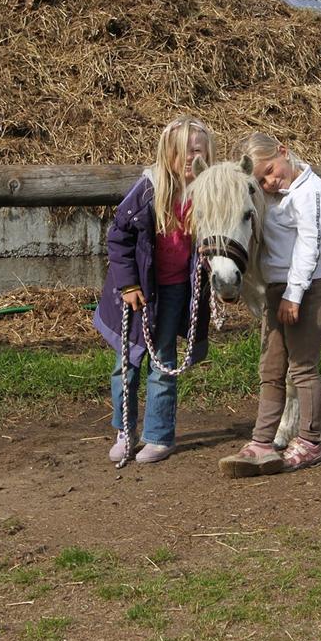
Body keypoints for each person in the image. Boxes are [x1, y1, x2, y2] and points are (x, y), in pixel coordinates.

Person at [93, 115, 216, 464]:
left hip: (176, 290)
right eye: (189, 152)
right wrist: (128, 284)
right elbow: (119, 237)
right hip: (138, 293)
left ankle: (160, 436)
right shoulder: (148, 190)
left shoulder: (205, 194)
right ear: (171, 154)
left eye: (202, 152)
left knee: (164, 363)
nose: (196, 159)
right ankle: (124, 429)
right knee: (127, 363)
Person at [219, 133, 321, 478]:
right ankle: (261, 441)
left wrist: (294, 294)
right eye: (260, 179)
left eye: (270, 170)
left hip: (306, 292)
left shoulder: (313, 193)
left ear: (284, 152)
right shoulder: (278, 197)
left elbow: (312, 247)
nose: (269, 181)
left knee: (302, 368)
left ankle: (311, 442)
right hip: (277, 292)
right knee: (270, 371)